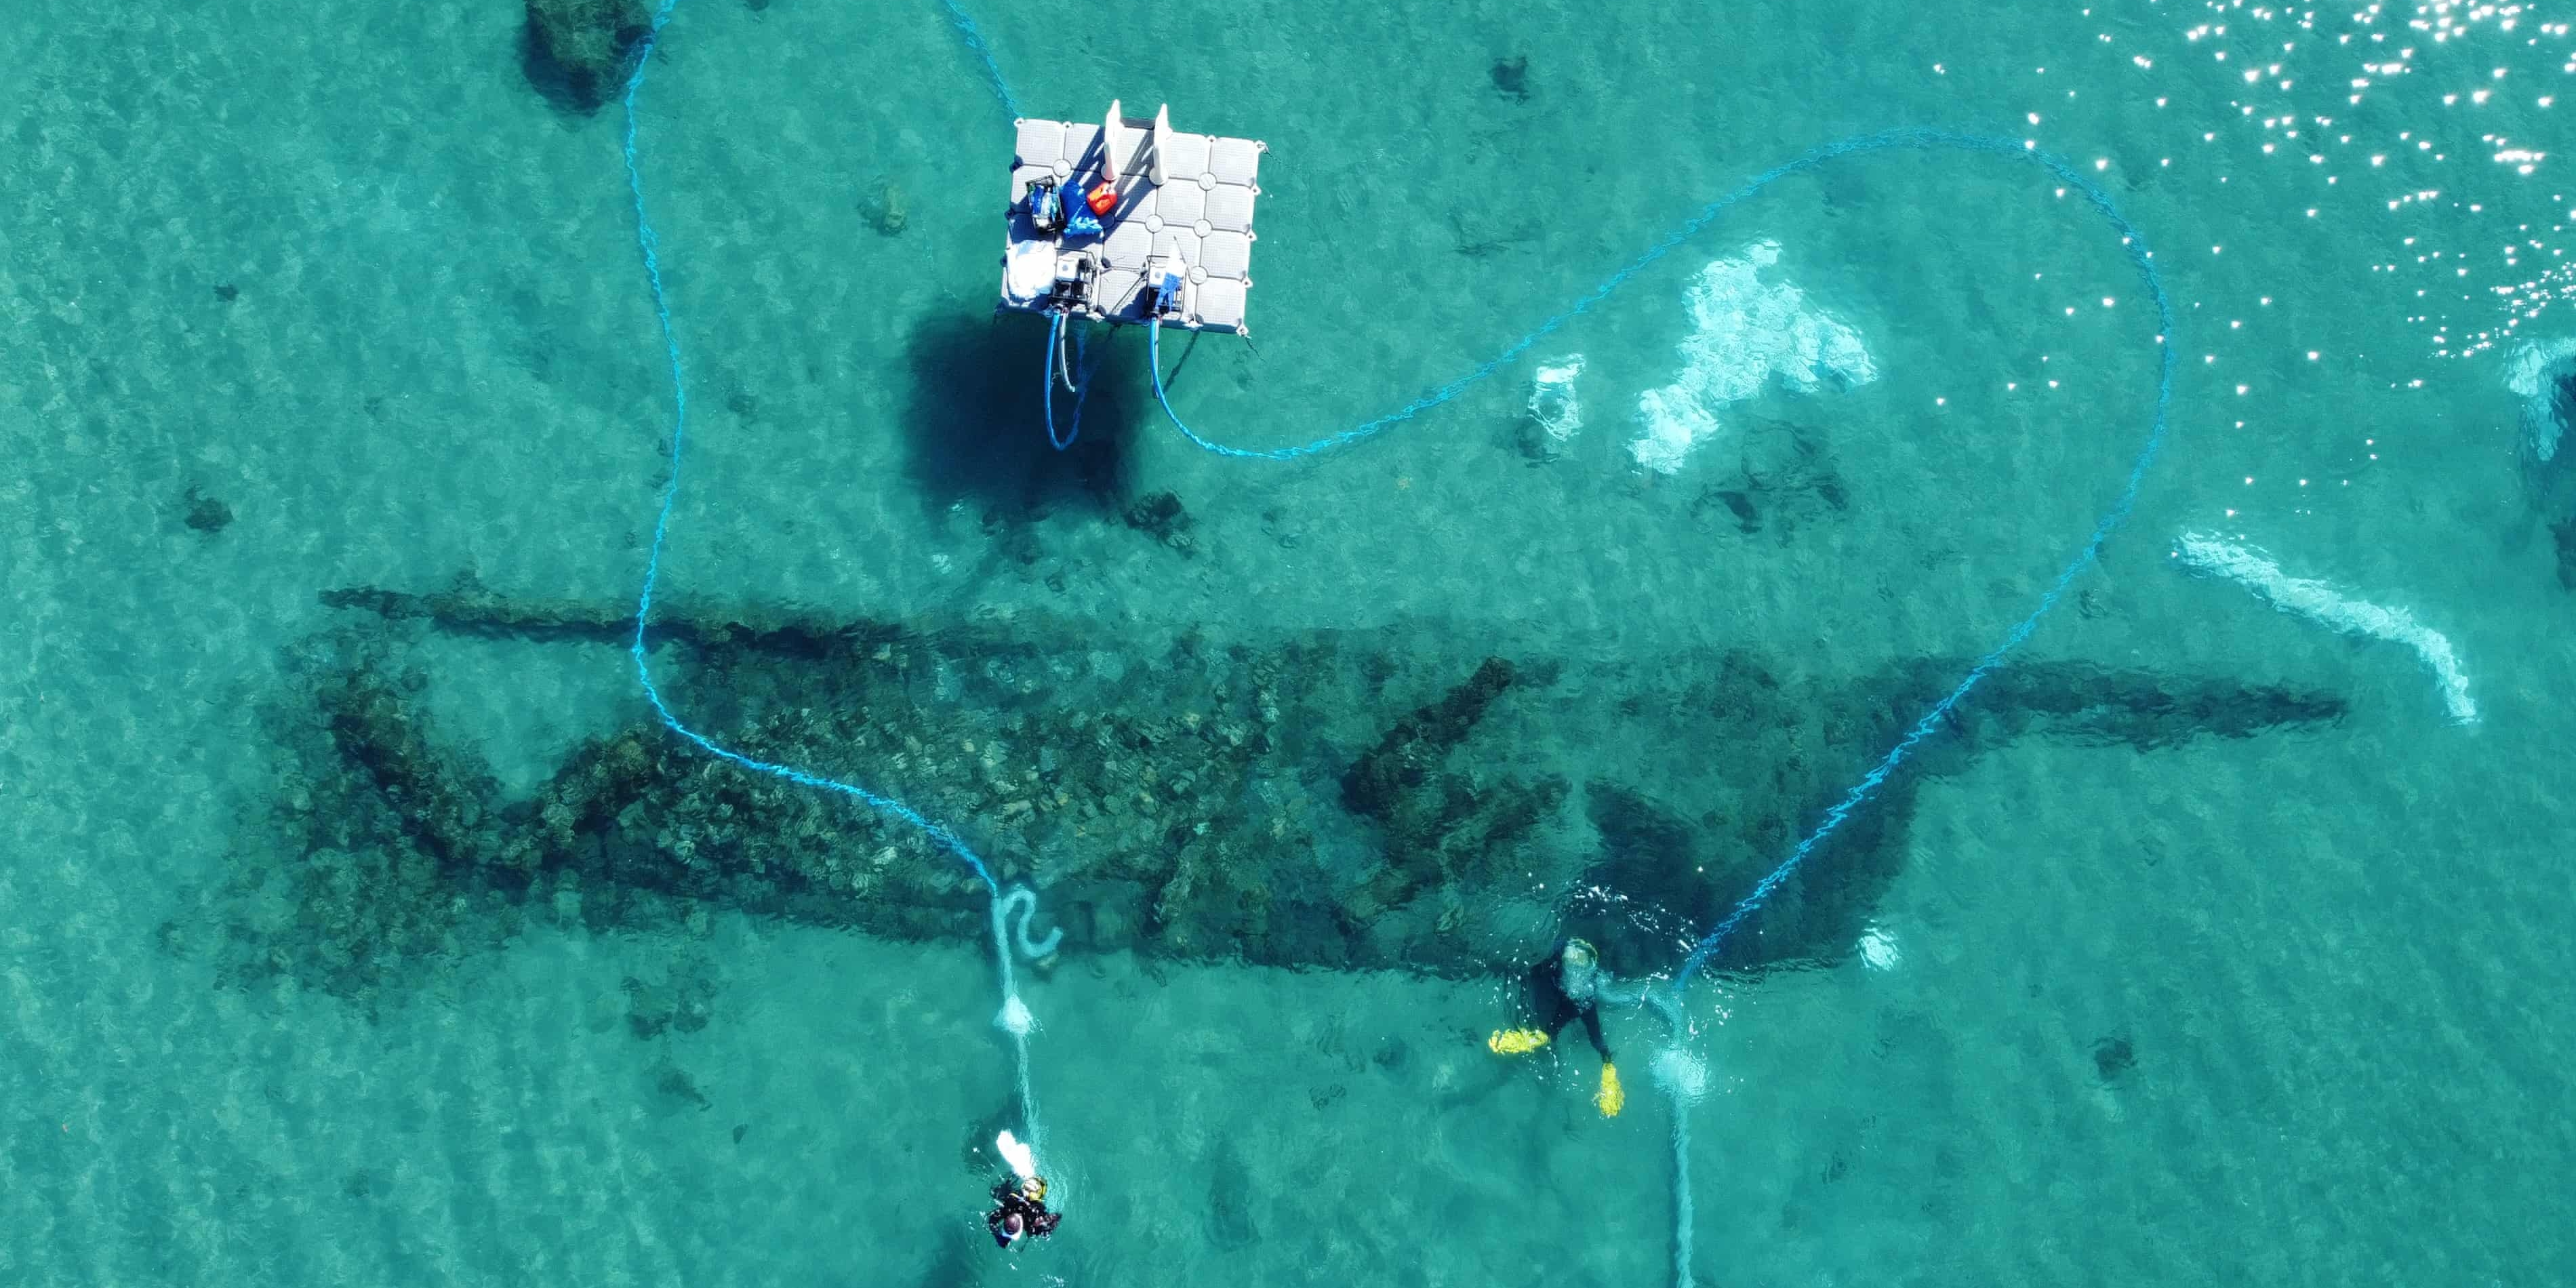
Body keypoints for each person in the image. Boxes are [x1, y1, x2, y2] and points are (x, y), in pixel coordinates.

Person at [1491, 937, 1641, 1115]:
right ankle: (1536, 1041)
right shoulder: (1553, 970)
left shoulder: (1584, 999)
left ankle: (1538, 1042)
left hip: (1565, 1008)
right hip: (1552, 1000)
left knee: (1556, 1036)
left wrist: (1609, 1073)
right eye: (1572, 962)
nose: (1576, 970)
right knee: (1547, 1035)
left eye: (1581, 965)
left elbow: (1598, 1039)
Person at [986, 1173, 1060, 1249]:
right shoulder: (1007, 1209)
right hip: (1025, 1188)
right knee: (996, 1193)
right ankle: (1017, 1174)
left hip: (1038, 1188)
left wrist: (1044, 1226)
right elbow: (992, 1220)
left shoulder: (1032, 1224)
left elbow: (1058, 1216)